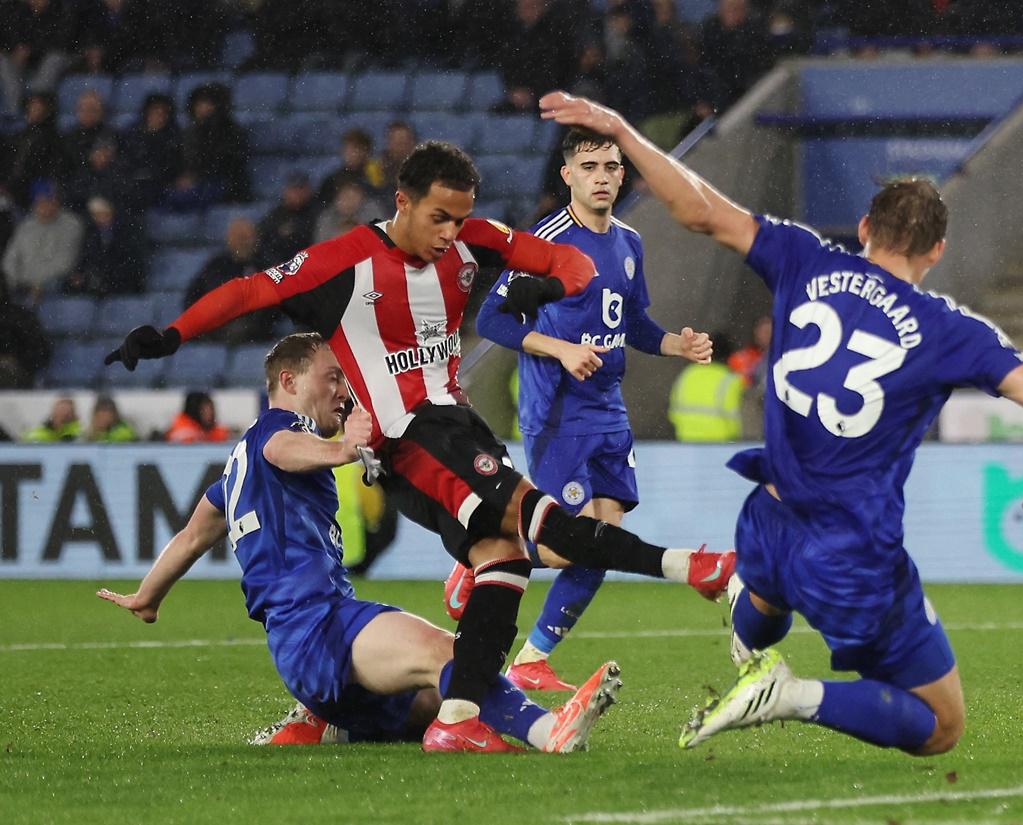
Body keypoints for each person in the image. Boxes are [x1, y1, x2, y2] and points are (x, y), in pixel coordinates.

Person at [103, 140, 735, 753]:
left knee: (505, 556)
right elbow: (250, 291)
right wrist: (171, 335)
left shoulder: (469, 237)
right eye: (438, 218)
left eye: (460, 218)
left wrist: (567, 277)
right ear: (402, 201)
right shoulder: (344, 259)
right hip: (409, 435)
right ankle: (693, 568)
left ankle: (460, 717)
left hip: (453, 425)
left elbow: (546, 256)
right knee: (543, 521)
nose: (449, 234)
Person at [541, 90, 1023, 756]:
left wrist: (623, 127)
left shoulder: (804, 256)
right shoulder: (950, 330)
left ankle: (753, 638)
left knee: (763, 609)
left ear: (862, 228)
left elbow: (698, 210)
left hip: (765, 518)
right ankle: (792, 693)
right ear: (936, 250)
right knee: (940, 724)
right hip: (849, 550)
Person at [98, 334, 620, 752]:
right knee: (453, 654)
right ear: (288, 379)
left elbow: (192, 537)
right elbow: (285, 449)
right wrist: (343, 448)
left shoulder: (236, 469)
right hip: (318, 626)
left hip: (308, 645)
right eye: (331, 377)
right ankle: (549, 730)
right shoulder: (275, 433)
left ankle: (324, 725)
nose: (342, 389)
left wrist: (147, 598)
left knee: (436, 701)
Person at [469, 127, 714, 691]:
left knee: (605, 536)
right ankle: (479, 553)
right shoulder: (546, 243)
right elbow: (492, 322)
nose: (602, 176)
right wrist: (560, 348)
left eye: (610, 166)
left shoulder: (629, 243)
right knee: (562, 545)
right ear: (568, 176)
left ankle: (532, 658)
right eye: (590, 167)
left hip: (608, 409)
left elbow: (631, 323)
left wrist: (676, 343)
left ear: (622, 175)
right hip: (557, 409)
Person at [2, 181, 85, 302]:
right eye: (40, 201)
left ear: (57, 201)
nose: (45, 206)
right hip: (22, 287)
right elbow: (10, 260)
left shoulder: (71, 224)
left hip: (53, 288)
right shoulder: (26, 225)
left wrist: (36, 283)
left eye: (49, 200)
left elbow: (65, 263)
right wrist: (14, 283)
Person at [667, 332, 743, 442]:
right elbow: (736, 420)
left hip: (686, 442)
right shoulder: (730, 380)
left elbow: (673, 411)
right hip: (720, 444)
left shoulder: (688, 374)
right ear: (729, 355)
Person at [166, 390, 230, 443]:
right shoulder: (183, 433)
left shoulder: (211, 431)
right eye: (205, 410)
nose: (210, 414)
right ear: (195, 410)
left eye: (211, 409)